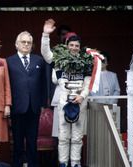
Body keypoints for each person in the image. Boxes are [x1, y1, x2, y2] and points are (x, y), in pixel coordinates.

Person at [41, 19, 92, 167]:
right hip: (63, 102)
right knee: (63, 136)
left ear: (80, 47)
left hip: (80, 102)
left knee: (77, 137)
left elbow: (88, 84)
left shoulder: (86, 61)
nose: (74, 48)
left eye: (77, 45)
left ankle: (75, 163)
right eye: (71, 45)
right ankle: (63, 163)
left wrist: (82, 96)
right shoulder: (59, 59)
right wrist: (45, 34)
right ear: (67, 45)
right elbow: (46, 53)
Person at [7, 31, 46, 167]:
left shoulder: (39, 60)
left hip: (34, 108)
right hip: (17, 107)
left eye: (29, 42)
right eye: (23, 42)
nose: (26, 44)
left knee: (32, 142)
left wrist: (43, 104)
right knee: (17, 143)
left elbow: (43, 84)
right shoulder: (9, 61)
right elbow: (7, 85)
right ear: (16, 44)